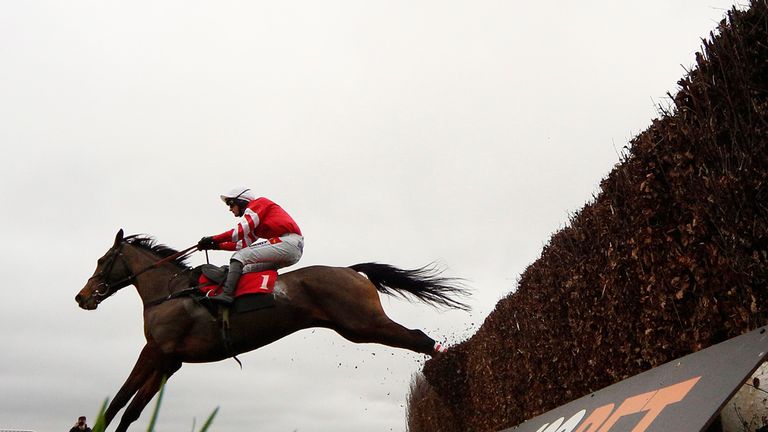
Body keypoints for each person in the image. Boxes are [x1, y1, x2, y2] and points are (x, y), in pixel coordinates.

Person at [198, 187, 304, 305]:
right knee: (244, 269)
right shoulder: (257, 221)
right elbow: (241, 244)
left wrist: (213, 239)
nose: (230, 209)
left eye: (230, 204)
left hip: (288, 243)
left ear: (240, 201)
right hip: (291, 249)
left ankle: (227, 295)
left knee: (239, 256)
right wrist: (215, 246)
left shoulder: (258, 204)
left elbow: (238, 232)